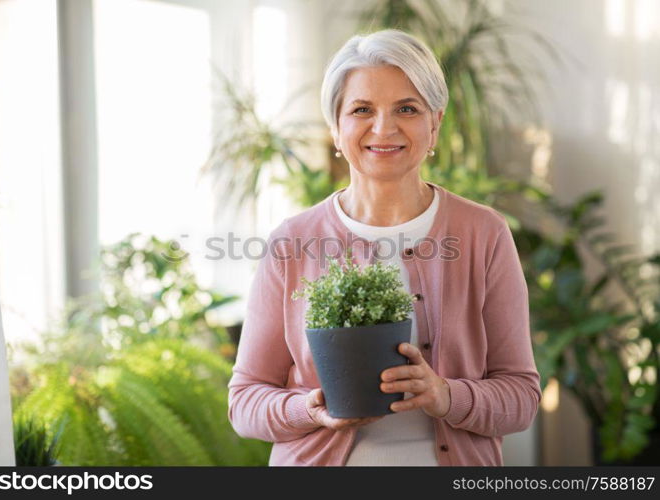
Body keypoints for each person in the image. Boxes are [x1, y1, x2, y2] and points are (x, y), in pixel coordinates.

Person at [227, 29, 542, 466]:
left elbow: (521, 397)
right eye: (361, 110)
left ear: (435, 123)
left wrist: (446, 395)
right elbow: (244, 403)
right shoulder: (291, 242)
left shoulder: (483, 233)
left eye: (406, 109)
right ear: (336, 128)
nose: (383, 128)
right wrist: (309, 409)